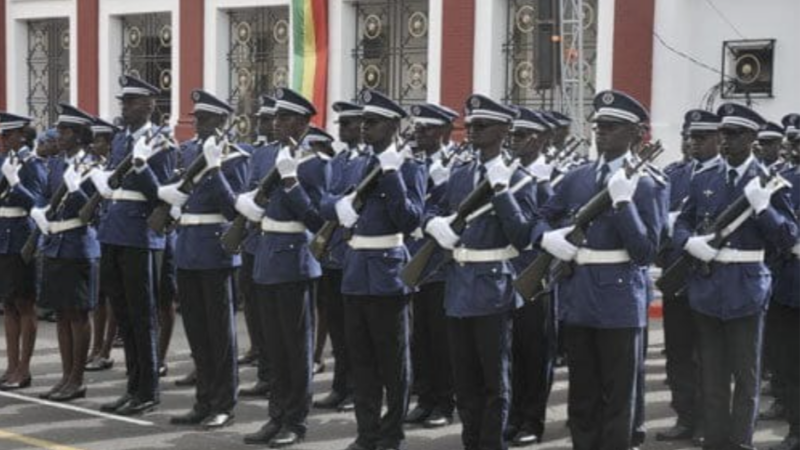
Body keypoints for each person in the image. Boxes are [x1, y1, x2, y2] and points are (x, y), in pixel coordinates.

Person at [536, 90, 667, 450]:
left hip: (619, 301)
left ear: (634, 135)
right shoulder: (577, 177)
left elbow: (645, 252)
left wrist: (624, 202)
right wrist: (548, 238)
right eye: (598, 126)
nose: (601, 133)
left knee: (618, 395)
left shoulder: (648, 184)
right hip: (578, 295)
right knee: (582, 394)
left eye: (611, 127)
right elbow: (544, 217)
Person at [673, 103, 797, 450]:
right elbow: (683, 221)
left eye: (735, 134)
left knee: (746, 375)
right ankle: (714, 440)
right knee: (712, 374)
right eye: (724, 133)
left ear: (753, 138)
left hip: (746, 287)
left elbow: (787, 237)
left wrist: (763, 208)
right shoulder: (706, 177)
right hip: (708, 287)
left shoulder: (769, 181)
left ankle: (741, 441)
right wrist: (690, 243)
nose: (727, 140)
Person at [425, 94, 539, 450]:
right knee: (465, 380)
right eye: (470, 125)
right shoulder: (461, 174)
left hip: (493, 287)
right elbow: (431, 208)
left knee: (494, 381)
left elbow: (523, 237)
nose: (472, 131)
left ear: (505, 130)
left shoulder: (519, 179)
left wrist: (502, 191)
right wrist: (435, 224)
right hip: (458, 286)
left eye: (481, 126)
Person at [321, 89, 426, 450]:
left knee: (393, 363)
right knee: (361, 361)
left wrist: (393, 175)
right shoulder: (357, 163)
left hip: (388, 275)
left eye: (373, 123)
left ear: (394, 126)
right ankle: (366, 433)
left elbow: (412, 219)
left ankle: (391, 433)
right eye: (363, 122)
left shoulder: (410, 167)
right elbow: (328, 195)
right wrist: (339, 207)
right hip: (355, 272)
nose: (364, 129)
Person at [236, 88, 325, 448]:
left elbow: (316, 218)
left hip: (294, 260)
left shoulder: (316, 162)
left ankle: (295, 421)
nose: (277, 123)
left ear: (304, 123)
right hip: (266, 255)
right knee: (272, 347)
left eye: (286, 118)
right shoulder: (265, 156)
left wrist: (290, 182)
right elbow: (255, 195)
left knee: (295, 348)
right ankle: (276, 416)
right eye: (275, 117)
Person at [160, 90, 247, 429]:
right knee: (197, 331)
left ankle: (224, 402)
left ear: (222, 121)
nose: (199, 124)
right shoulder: (187, 152)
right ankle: (203, 400)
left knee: (220, 334)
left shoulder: (235, 157)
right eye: (197, 118)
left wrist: (214, 170)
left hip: (216, 251)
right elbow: (173, 193)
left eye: (206, 119)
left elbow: (232, 209)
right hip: (188, 249)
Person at [93, 75, 176, 416]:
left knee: (143, 316)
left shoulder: (162, 144)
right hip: (114, 232)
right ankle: (132, 386)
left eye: (131, 102)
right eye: (123, 102)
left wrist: (141, 167)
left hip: (141, 237)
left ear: (150, 105)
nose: (124, 107)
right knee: (124, 317)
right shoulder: (121, 139)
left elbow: (161, 195)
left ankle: (148, 391)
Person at [656, 109, 722, 443]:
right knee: (678, 351)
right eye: (689, 137)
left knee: (709, 354)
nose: (692, 143)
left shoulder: (728, 176)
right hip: (677, 272)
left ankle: (709, 423)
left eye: (700, 137)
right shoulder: (674, 174)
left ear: (718, 139)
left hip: (710, 276)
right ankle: (685, 416)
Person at [31, 104, 101, 402]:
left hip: (79, 245)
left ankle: (78, 378)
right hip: (56, 244)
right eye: (58, 130)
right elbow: (45, 196)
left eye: (64, 131)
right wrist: (39, 211)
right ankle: (64, 376)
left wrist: (78, 192)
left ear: (79, 135)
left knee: (78, 314)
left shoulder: (93, 166)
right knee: (61, 314)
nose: (58, 135)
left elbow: (95, 211)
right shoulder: (57, 164)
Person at [503, 107, 557, 447]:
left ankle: (532, 421)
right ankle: (513, 416)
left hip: (536, 276)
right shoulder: (508, 173)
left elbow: (550, 224)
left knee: (536, 353)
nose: (515, 143)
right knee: (512, 352)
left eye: (521, 137)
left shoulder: (551, 177)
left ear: (538, 139)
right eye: (513, 136)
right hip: (508, 273)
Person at [403, 103, 456, 430]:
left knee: (442, 338)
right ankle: (424, 398)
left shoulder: (457, 165)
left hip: (441, 265)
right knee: (419, 337)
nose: (420, 134)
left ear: (446, 132)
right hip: (416, 260)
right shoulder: (412, 162)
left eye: (428, 129)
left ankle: (444, 402)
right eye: (418, 128)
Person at [313, 100, 365, 413]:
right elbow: (326, 201)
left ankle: (356, 389)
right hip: (332, 253)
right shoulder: (341, 159)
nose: (342, 129)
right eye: (341, 123)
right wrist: (338, 203)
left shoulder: (367, 160)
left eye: (348, 124)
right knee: (335, 324)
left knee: (354, 329)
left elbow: (355, 203)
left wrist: (339, 203)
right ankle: (340, 385)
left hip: (352, 253)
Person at [0, 112, 47, 391]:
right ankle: (11, 365)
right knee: (7, 304)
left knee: (24, 304)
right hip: (2, 236)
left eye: (8, 136)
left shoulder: (32, 164)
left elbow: (37, 204)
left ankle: (24, 369)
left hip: (21, 236)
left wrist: (15, 183)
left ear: (21, 135)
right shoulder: (4, 160)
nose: (4, 141)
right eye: (2, 136)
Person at [238, 95, 279, 398]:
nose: (267, 125)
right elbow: (249, 184)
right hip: (254, 238)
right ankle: (264, 366)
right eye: (264, 120)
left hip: (279, 240)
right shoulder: (261, 153)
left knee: (277, 317)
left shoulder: (296, 155)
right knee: (254, 305)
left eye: (271, 119)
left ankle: (275, 373)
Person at [765, 113, 800, 450]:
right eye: (794, 142)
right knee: (788, 361)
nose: (794, 148)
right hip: (788, 283)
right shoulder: (782, 179)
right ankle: (796, 426)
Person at [85, 116, 119, 373]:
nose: (93, 145)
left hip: (110, 233)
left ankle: (106, 349)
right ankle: (95, 347)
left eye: (98, 140)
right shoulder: (91, 166)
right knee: (98, 297)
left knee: (111, 297)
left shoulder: (114, 168)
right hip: (98, 232)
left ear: (109, 143)